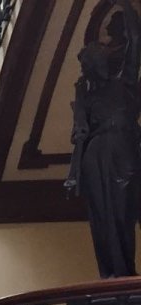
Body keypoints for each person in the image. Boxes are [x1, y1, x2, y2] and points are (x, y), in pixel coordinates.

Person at [64, 0, 141, 278]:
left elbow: (135, 42)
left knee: (122, 214)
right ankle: (109, 274)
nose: (87, 68)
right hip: (96, 156)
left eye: (89, 62)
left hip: (123, 151)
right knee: (101, 218)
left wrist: (128, 7)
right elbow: (80, 129)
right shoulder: (86, 93)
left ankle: (125, 274)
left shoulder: (126, 82)